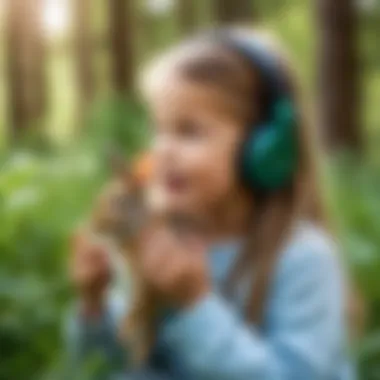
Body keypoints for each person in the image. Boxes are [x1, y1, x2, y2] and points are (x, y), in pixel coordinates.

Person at [66, 28, 355, 379]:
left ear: (264, 148)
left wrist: (194, 304)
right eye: (159, 130)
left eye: (189, 131)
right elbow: (111, 367)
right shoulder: (161, 241)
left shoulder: (303, 258)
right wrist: (93, 305)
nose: (163, 151)